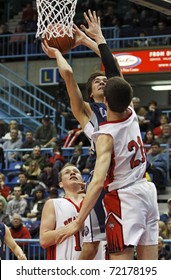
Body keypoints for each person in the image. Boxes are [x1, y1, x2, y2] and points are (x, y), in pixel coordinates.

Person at [42, 10, 122, 260]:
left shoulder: (119, 105)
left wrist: (89, 41)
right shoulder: (87, 113)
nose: (102, 81)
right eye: (97, 81)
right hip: (105, 181)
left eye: (104, 80)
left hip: (128, 180)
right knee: (92, 246)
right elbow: (68, 76)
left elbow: (114, 69)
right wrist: (57, 53)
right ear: (90, 93)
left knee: (123, 247)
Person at [57, 76, 159, 260]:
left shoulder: (106, 135)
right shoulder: (131, 113)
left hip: (123, 194)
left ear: (106, 100)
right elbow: (116, 74)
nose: (102, 82)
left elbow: (96, 183)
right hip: (146, 189)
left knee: (118, 262)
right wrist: (97, 44)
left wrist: (78, 221)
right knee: (150, 266)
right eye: (98, 81)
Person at [40, 163, 85, 260]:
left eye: (76, 172)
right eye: (67, 172)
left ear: (82, 180)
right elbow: (44, 240)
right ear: (61, 184)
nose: (72, 173)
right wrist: (75, 225)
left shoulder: (96, 201)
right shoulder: (53, 203)